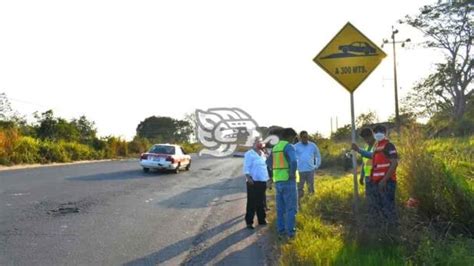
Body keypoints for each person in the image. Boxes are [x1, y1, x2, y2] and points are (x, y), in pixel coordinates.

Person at [354, 125, 399, 224]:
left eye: (380, 132)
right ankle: (380, 228)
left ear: (385, 133)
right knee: (378, 205)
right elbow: (370, 158)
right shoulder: (377, 147)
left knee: (388, 207)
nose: (378, 134)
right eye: (376, 132)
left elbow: (394, 163)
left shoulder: (388, 145)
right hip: (377, 182)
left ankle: (392, 230)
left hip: (387, 182)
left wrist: (384, 180)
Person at [267, 128, 298, 238]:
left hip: (278, 181)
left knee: (281, 209)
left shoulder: (276, 147)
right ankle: (291, 233)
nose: (294, 140)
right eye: (294, 138)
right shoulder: (289, 146)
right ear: (290, 137)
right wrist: (292, 173)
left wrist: (273, 174)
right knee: (291, 208)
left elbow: (268, 162)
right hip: (288, 181)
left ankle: (281, 231)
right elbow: (293, 161)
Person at [243, 138, 269, 229]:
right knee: (252, 202)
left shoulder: (262, 154)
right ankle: (249, 222)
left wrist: (267, 179)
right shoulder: (249, 154)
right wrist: (248, 177)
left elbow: (264, 167)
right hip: (253, 181)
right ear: (253, 143)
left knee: (261, 201)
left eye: (261, 142)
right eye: (258, 142)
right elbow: (246, 167)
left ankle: (262, 220)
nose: (260, 143)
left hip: (262, 180)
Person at [351, 127, 377, 216]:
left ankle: (377, 216)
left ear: (371, 135)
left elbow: (372, 156)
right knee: (369, 198)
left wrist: (358, 150)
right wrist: (361, 176)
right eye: (364, 139)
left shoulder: (377, 145)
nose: (365, 141)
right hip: (367, 177)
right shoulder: (367, 146)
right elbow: (365, 162)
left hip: (375, 176)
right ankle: (371, 215)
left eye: (366, 138)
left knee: (376, 197)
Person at [295, 131, 321, 201]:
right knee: (299, 188)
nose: (305, 138)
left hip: (310, 170)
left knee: (311, 187)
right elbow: (292, 158)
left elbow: (318, 155)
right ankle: (299, 202)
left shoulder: (313, 145)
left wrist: (316, 165)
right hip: (299, 170)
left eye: (307, 137)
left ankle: (311, 202)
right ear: (300, 138)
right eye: (304, 137)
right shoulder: (296, 146)